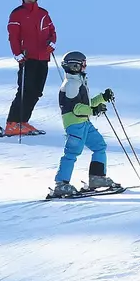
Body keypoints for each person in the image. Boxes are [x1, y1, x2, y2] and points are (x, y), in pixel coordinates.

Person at [51, 51, 120, 198]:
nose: (85, 66)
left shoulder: (78, 81)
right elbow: (76, 108)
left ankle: (97, 178)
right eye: (83, 64)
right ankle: (61, 184)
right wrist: (93, 110)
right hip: (75, 125)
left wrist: (102, 98)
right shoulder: (70, 84)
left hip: (84, 123)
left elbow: (86, 104)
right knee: (71, 153)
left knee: (99, 146)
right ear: (75, 66)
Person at [5, 0, 56, 136]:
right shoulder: (17, 14)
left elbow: (52, 31)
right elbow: (13, 36)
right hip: (28, 58)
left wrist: (52, 43)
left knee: (36, 92)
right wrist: (17, 53)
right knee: (25, 90)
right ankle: (12, 123)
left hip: (43, 57)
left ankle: (23, 121)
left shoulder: (43, 13)